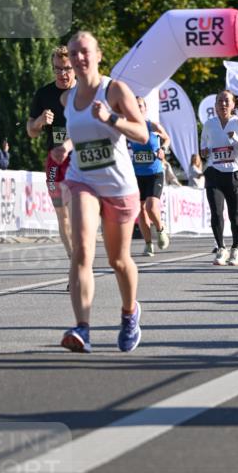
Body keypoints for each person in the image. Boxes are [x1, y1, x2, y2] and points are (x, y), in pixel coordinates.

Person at [59, 30, 149, 353]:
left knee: (119, 260)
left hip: (119, 186)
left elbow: (141, 133)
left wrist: (112, 118)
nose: (79, 58)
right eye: (73, 54)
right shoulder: (67, 99)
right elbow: (81, 135)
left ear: (98, 55)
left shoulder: (115, 90)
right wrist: (66, 147)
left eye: (84, 52)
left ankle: (129, 313)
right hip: (83, 179)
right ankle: (82, 328)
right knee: (82, 249)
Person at [28, 46, 76, 271]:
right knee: (62, 214)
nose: (62, 74)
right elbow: (31, 130)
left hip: (82, 161)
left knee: (77, 214)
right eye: (58, 69)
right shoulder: (44, 94)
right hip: (55, 161)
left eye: (67, 69)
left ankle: (80, 264)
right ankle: (74, 262)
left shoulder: (84, 93)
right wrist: (38, 122)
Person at [200, 89, 238, 266]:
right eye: (219, 101)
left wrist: (235, 138)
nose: (223, 104)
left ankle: (236, 249)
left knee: (235, 214)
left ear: (233, 105)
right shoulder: (209, 124)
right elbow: (203, 147)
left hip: (234, 173)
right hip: (214, 172)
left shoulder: (237, 124)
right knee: (216, 212)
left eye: (226, 101)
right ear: (215, 106)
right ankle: (221, 248)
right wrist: (204, 152)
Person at [129, 97, 171, 258]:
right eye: (134, 106)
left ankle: (160, 229)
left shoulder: (152, 126)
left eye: (140, 106)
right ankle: (148, 245)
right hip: (138, 174)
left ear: (145, 108)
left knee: (151, 207)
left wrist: (163, 149)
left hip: (155, 172)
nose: (137, 108)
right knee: (140, 211)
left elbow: (166, 138)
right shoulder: (130, 128)